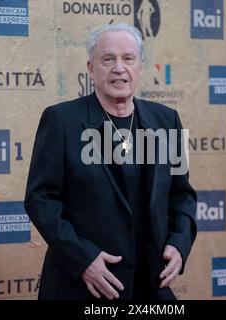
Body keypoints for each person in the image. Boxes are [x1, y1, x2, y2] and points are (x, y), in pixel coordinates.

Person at [24, 23, 197, 300]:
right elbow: (40, 199)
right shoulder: (61, 120)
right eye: (108, 59)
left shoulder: (167, 121)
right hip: (84, 285)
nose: (119, 68)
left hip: (150, 283)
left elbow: (182, 195)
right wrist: (83, 259)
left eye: (128, 58)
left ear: (140, 67)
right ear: (91, 69)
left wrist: (179, 243)